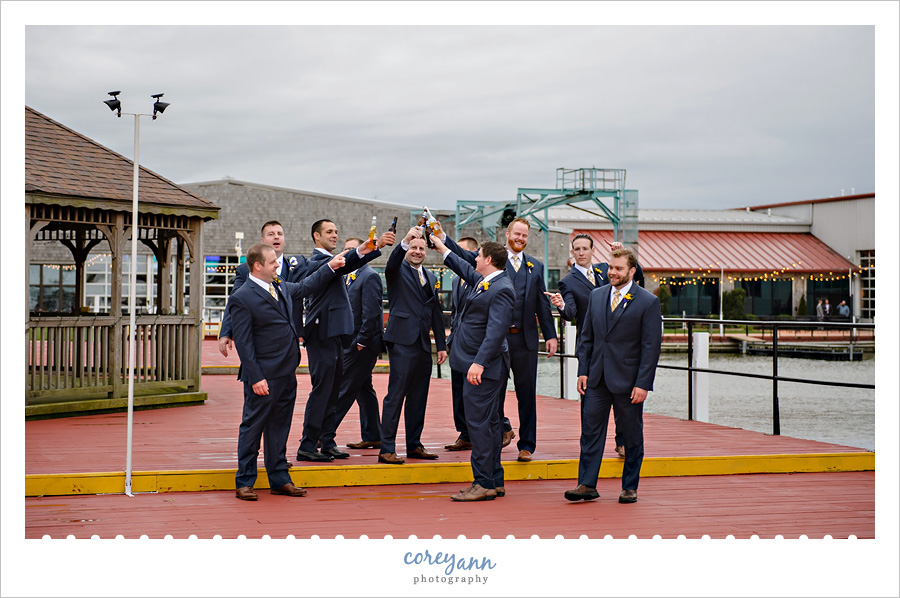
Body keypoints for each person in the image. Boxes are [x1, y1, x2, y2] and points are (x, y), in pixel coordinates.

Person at [229, 242, 345, 501]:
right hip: (263, 376)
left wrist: (330, 266)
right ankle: (245, 481)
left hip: (286, 373)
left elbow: (306, 286)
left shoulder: (279, 286)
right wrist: (256, 377)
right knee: (253, 427)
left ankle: (279, 478)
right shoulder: (242, 297)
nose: (277, 266)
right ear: (258, 265)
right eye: (272, 263)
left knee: (279, 427)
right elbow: (245, 344)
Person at [441, 217, 557, 462]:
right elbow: (462, 255)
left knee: (527, 394)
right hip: (495, 342)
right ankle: (499, 433)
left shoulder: (535, 266)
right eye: (517, 234)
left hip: (524, 340)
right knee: (495, 393)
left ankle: (526, 445)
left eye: (525, 235)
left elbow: (541, 303)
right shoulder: (489, 260)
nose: (520, 239)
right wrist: (442, 240)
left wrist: (551, 335)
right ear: (507, 233)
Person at [565, 247, 662, 504]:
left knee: (631, 435)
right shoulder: (596, 296)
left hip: (629, 382)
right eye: (610, 267)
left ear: (632, 271)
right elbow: (586, 337)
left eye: (618, 268)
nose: (612, 272)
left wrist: (643, 384)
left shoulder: (647, 301)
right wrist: (582, 371)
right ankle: (586, 484)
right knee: (590, 432)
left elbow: (650, 348)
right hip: (596, 378)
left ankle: (630, 486)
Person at [295, 220, 395, 462]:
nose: (334, 235)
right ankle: (308, 444)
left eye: (336, 232)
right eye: (329, 232)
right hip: (321, 335)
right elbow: (345, 263)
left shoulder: (333, 262)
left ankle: (327, 441)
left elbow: (347, 263)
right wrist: (374, 245)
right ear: (316, 236)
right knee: (322, 391)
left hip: (336, 336)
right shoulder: (317, 262)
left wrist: (368, 249)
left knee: (332, 392)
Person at [545, 233, 645, 459]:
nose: (581, 253)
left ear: (592, 251)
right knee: (591, 402)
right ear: (572, 253)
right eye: (577, 249)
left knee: (622, 397)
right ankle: (590, 447)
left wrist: (627, 254)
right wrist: (561, 306)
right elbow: (571, 313)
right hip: (592, 348)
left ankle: (622, 442)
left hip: (619, 346)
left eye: (585, 249)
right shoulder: (567, 281)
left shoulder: (607, 270)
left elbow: (636, 276)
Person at [433, 235, 515, 501]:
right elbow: (461, 265)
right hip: (478, 363)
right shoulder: (486, 281)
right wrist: (441, 245)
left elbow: (495, 332)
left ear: (488, 260)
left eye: (478, 255)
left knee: (479, 424)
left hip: (484, 367)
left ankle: (482, 482)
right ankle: (494, 480)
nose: (475, 258)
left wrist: (478, 363)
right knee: (490, 424)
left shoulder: (501, 288)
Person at [377, 229, 448, 464]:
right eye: (413, 248)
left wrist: (442, 344)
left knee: (419, 397)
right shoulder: (397, 271)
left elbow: (435, 311)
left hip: (422, 344)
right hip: (401, 341)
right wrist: (404, 241)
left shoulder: (430, 276)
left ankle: (414, 444)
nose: (417, 252)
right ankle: (386, 448)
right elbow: (391, 263)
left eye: (421, 248)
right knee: (396, 395)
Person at [318, 238, 384, 454]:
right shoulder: (347, 276)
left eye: (351, 249)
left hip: (362, 345)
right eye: (345, 249)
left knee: (344, 389)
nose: (347, 253)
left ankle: (324, 434)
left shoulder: (370, 276)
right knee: (364, 390)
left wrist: (361, 342)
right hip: (350, 342)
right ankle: (373, 435)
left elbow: (372, 313)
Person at [219, 220, 308, 358]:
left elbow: (314, 281)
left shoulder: (299, 264)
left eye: (280, 234)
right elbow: (234, 301)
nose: (276, 237)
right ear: (263, 240)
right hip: (262, 341)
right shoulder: (245, 270)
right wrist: (226, 332)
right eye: (271, 234)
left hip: (290, 338)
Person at [444, 236, 480, 452]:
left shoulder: (481, 279)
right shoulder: (456, 279)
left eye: (461, 251)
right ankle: (464, 433)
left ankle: (502, 426)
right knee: (457, 390)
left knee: (474, 391)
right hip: (456, 342)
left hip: (473, 345)